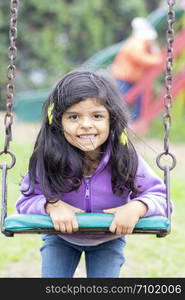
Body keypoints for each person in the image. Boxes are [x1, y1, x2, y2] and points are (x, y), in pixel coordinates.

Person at [16, 69, 172, 278]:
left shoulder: (125, 158)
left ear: (111, 119)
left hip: (108, 239)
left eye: (97, 116)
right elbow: (25, 201)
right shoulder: (49, 158)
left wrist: (137, 207)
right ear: (58, 121)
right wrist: (51, 205)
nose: (86, 124)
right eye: (73, 116)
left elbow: (161, 198)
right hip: (60, 238)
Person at [111, 17, 162, 120]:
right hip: (123, 78)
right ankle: (118, 121)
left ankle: (135, 121)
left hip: (131, 78)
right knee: (121, 100)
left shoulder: (140, 44)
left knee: (139, 98)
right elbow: (141, 59)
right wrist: (156, 58)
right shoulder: (135, 44)